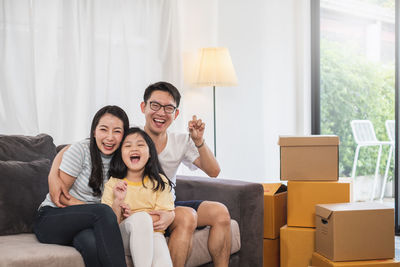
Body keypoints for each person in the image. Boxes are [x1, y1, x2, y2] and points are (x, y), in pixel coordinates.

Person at [140, 81, 232, 267]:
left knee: (220, 213)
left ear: (176, 114)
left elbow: (214, 171)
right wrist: (61, 159)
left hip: (169, 205)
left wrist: (198, 141)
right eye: (155, 105)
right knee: (187, 216)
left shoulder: (181, 141)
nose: (161, 113)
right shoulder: (131, 137)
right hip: (141, 207)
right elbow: (90, 145)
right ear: (144, 107)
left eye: (168, 108)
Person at [33, 105, 129, 267]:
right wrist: (96, 212)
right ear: (94, 131)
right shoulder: (81, 150)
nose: (110, 137)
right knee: (103, 211)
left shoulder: (123, 158)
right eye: (104, 129)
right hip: (52, 219)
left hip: (85, 225)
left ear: (124, 135)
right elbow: (60, 197)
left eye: (117, 131)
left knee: (91, 244)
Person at [101, 127, 174, 267]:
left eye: (140, 145)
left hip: (154, 234)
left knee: (160, 252)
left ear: (150, 153)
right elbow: (110, 225)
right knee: (142, 219)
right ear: (121, 154)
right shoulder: (114, 184)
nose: (134, 149)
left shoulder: (160, 182)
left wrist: (133, 214)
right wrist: (117, 201)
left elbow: (162, 218)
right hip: (122, 237)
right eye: (127, 146)